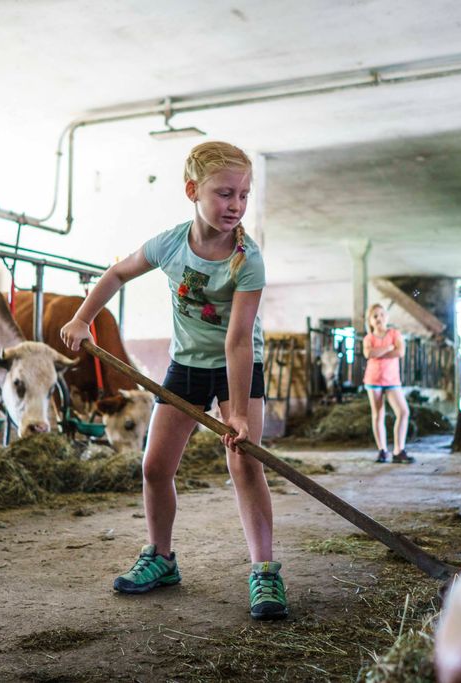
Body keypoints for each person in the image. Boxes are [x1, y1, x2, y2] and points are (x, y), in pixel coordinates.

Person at [59, 141, 287, 620]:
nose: (236, 205)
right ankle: (161, 558)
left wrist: (239, 414)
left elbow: (239, 341)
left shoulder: (248, 260)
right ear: (192, 191)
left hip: (238, 369)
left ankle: (265, 572)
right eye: (225, 193)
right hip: (185, 367)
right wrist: (83, 318)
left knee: (244, 464)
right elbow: (119, 272)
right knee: (154, 467)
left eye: (244, 195)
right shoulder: (169, 244)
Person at [362, 303, 414, 464]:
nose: (379, 318)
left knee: (403, 412)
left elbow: (400, 352)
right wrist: (389, 348)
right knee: (378, 414)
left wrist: (380, 351)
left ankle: (398, 450)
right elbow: (368, 353)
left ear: (387, 316)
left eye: (381, 314)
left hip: (392, 381)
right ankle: (382, 451)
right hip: (373, 380)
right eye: (375, 316)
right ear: (370, 321)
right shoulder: (368, 338)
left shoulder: (394, 333)